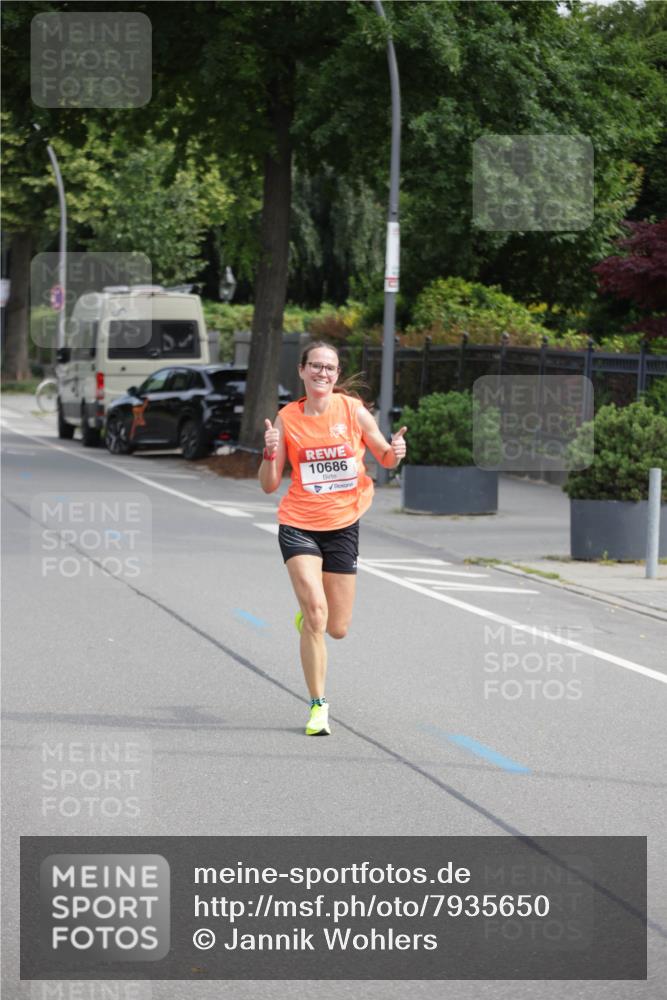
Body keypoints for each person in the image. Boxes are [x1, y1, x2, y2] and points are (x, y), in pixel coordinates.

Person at [259, 340, 407, 736]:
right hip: (298, 523)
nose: (323, 373)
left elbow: (385, 458)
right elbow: (269, 486)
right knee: (317, 614)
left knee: (337, 627)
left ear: (336, 375)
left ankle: (311, 615)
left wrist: (396, 450)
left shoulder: (352, 411)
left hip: (342, 525)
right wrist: (269, 453)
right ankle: (317, 706)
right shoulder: (287, 418)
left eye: (330, 368)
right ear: (302, 371)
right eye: (316, 366)